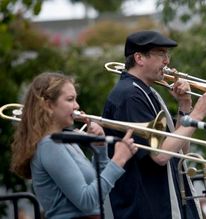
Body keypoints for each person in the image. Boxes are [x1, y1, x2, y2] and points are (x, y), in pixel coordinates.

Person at [102, 30, 206, 219]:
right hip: (148, 209)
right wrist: (198, 114)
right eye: (161, 53)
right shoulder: (130, 96)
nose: (167, 61)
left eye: (167, 54)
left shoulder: (146, 92)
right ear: (139, 58)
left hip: (166, 203)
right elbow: (160, 155)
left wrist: (185, 106)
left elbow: (179, 149)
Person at [10, 72, 138, 219]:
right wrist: (118, 161)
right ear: (49, 105)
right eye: (70, 99)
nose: (77, 105)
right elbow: (87, 201)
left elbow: (98, 195)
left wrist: (100, 149)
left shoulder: (66, 140)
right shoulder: (49, 145)